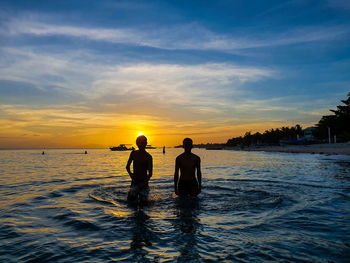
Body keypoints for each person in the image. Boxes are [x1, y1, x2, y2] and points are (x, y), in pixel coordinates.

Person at [126, 135, 153, 203]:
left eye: (143, 143)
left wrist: (143, 183)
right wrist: (131, 174)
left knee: (144, 203)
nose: (141, 144)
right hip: (134, 181)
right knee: (130, 201)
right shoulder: (133, 153)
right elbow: (127, 166)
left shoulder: (148, 157)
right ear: (137, 143)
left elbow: (150, 174)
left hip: (144, 182)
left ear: (146, 144)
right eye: (139, 142)